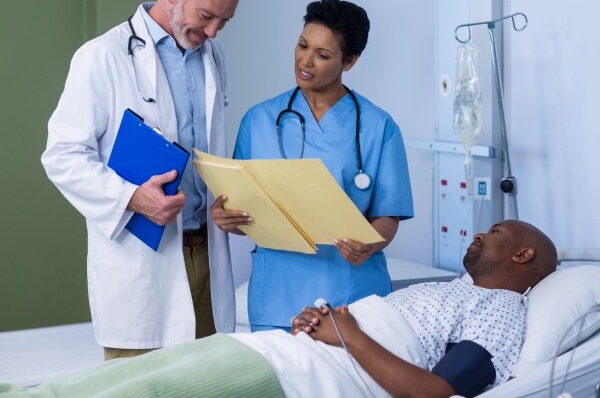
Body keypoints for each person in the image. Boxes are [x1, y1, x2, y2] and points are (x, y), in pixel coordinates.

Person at [0, 220, 558, 398]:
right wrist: (320, 322)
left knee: (145, 393)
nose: (480, 235)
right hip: (283, 350)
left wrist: (346, 336)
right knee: (118, 379)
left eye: (496, 232)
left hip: (306, 376)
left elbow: (437, 393)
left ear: (523, 254)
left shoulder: (505, 310)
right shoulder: (451, 289)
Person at [41, 0, 247, 359]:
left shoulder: (213, 55)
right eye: (206, 16)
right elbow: (62, 155)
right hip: (143, 262)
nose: (212, 32)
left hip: (207, 255)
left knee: (210, 382)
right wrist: (132, 197)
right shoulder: (102, 57)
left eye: (224, 21)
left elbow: (206, 151)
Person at [211, 0, 414, 332]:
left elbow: (388, 215)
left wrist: (370, 244)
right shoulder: (259, 120)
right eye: (302, 46)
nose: (305, 61)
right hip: (277, 295)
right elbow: (240, 212)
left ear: (349, 61)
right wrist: (224, 218)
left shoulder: (379, 126)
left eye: (322, 55)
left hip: (352, 295)